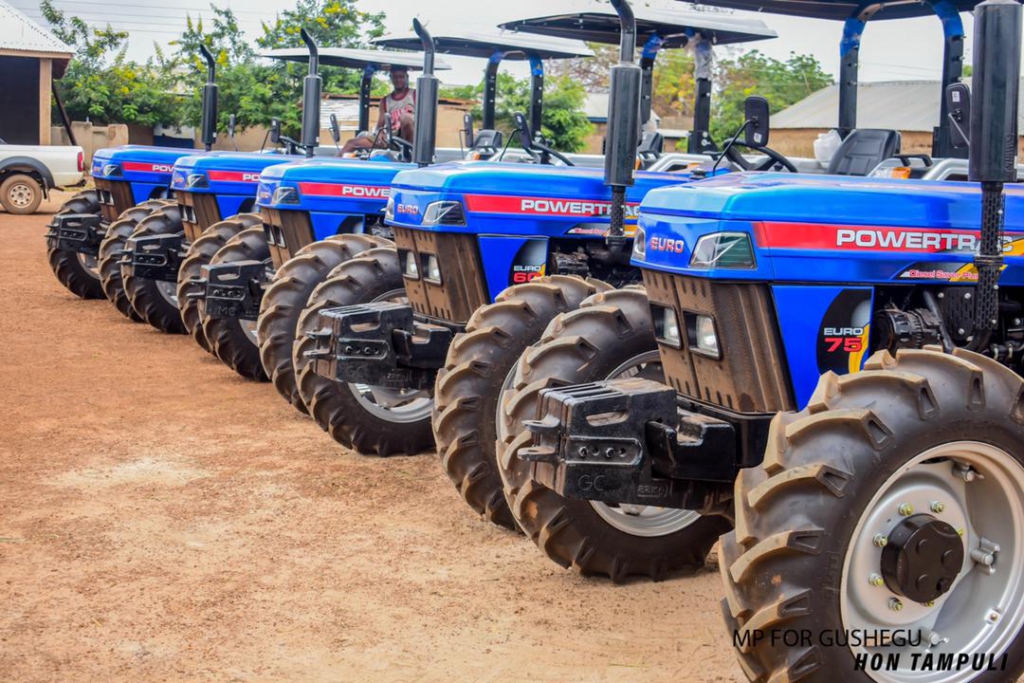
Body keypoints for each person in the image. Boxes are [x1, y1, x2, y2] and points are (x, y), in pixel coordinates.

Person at [341, 66, 416, 154]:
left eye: (401, 77)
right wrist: (380, 133)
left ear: (406, 77)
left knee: (405, 118)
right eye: (395, 77)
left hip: (410, 141)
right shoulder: (385, 101)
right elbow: (379, 127)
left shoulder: (415, 95)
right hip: (392, 140)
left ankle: (408, 153)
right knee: (351, 143)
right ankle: (332, 165)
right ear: (391, 78)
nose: (398, 80)